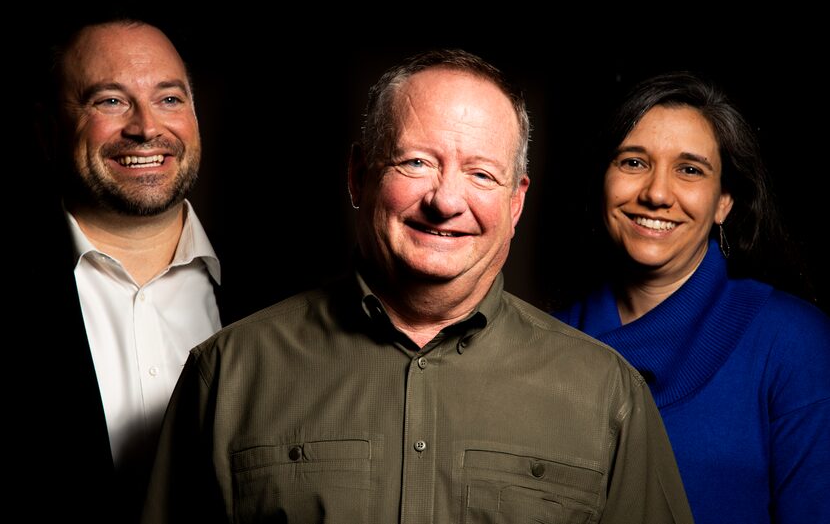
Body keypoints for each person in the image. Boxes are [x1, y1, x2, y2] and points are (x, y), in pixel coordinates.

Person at [141, 49, 693, 523]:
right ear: (358, 175)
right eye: (417, 162)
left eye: (481, 173)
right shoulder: (228, 376)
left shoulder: (608, 396)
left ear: (516, 200)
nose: (446, 201)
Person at [553, 71, 830, 524]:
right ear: (603, 180)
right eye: (633, 162)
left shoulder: (793, 343)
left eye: (689, 170)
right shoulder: (547, 341)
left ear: (724, 202)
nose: (657, 194)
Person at [12, 18, 232, 524]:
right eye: (109, 101)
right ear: (48, 132)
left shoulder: (288, 295)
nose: (146, 127)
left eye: (170, 99)